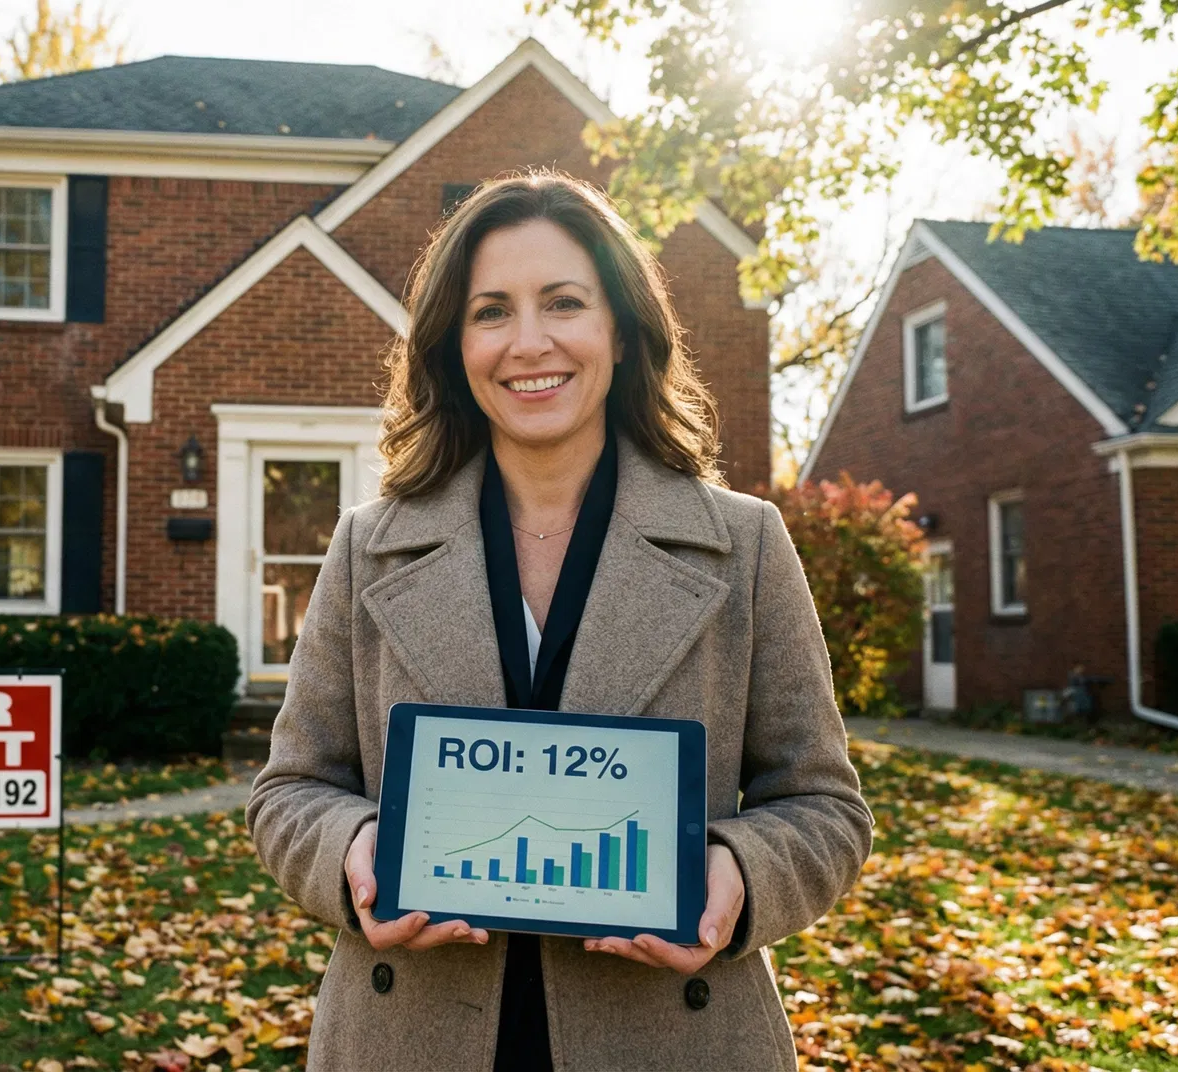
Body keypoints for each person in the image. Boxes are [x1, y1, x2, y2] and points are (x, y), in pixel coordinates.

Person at [245, 170, 873, 1071]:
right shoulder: (367, 545)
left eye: (565, 302)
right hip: (407, 1033)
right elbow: (289, 791)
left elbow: (825, 810)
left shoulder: (745, 545)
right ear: (454, 347)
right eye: (491, 310)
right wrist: (353, 850)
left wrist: (737, 875)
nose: (528, 342)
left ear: (620, 331)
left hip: (675, 1033)